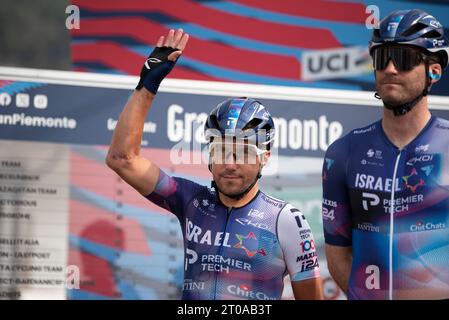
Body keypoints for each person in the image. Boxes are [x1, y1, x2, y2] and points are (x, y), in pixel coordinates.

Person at [106, 28, 322, 300]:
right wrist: (146, 86)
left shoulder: (286, 220)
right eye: (220, 151)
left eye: (243, 153)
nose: (230, 164)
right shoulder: (190, 201)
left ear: (264, 157)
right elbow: (121, 159)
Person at [322, 9, 449, 300]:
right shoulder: (343, 153)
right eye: (382, 58)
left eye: (404, 58)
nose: (391, 68)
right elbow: (337, 254)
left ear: (434, 71)